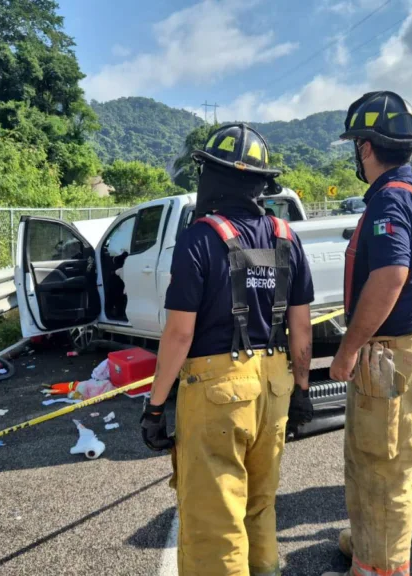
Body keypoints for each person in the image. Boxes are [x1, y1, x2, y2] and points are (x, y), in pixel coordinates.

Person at [139, 123, 316, 575]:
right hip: (274, 386)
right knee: (260, 503)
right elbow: (301, 329)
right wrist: (300, 391)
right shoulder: (286, 236)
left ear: (212, 177)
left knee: (214, 519)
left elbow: (179, 335)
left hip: (218, 392)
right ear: (261, 182)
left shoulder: (200, 237)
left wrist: (156, 407)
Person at [321, 91, 412, 576]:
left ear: (366, 148)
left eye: (357, 143)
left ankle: (380, 568)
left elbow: (391, 275)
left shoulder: (391, 200)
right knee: (385, 458)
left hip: (391, 353)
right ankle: (366, 544)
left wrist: (347, 350)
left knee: (383, 467)